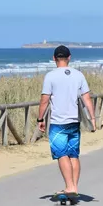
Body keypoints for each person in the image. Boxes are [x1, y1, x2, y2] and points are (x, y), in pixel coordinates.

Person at [37, 45, 96, 195]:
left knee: (62, 154)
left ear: (54, 58)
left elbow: (44, 100)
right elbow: (87, 98)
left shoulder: (50, 76)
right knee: (73, 155)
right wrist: (93, 118)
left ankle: (70, 187)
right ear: (69, 57)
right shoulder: (78, 75)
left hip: (58, 122)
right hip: (74, 121)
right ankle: (74, 187)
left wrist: (40, 118)